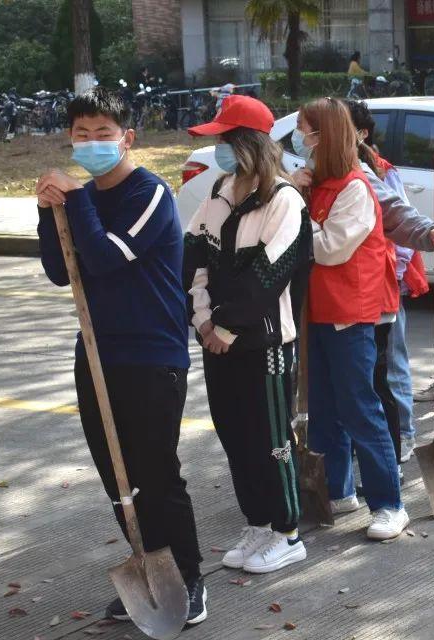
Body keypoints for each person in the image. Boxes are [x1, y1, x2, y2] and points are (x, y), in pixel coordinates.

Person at [35, 87, 206, 625]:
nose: (91, 144)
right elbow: (63, 270)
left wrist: (77, 199)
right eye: (81, 135)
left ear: (127, 138)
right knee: (118, 476)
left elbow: (106, 258)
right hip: (96, 352)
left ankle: (190, 576)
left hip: (152, 355)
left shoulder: (148, 193)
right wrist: (49, 212)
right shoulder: (84, 198)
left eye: (102, 134)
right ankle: (149, 565)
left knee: (155, 473)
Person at [182, 95, 311, 574]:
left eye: (225, 140)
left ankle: (287, 532)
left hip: (265, 347)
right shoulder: (219, 191)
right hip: (216, 341)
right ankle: (257, 522)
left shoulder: (285, 202)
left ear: (251, 144)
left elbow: (267, 276)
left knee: (270, 439)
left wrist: (228, 327)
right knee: (233, 434)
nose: (219, 148)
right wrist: (202, 321)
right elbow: (194, 257)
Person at [289, 97, 409, 540]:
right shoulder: (316, 183)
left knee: (359, 408)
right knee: (323, 409)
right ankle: (337, 491)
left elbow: (329, 248)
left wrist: (297, 209)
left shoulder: (355, 187)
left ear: (328, 135)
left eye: (308, 131)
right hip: (318, 313)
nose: (302, 140)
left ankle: (390, 504)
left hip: (349, 314)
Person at [344, 99, 434, 467]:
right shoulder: (312, 173)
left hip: (381, 284)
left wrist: (415, 253)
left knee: (391, 368)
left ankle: (402, 434)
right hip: (339, 298)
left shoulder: (375, 172)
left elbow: (397, 215)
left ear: (359, 134)